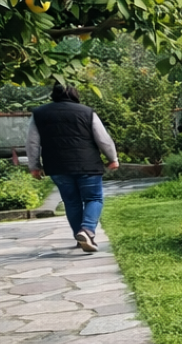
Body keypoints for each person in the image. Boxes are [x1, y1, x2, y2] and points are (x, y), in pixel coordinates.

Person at [27, 83, 120, 253]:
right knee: (93, 199)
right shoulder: (86, 112)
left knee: (71, 202)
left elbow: (32, 142)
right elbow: (103, 138)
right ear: (74, 93)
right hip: (88, 165)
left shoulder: (39, 114)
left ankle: (81, 237)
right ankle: (87, 231)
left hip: (57, 166)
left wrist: (34, 166)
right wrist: (112, 158)